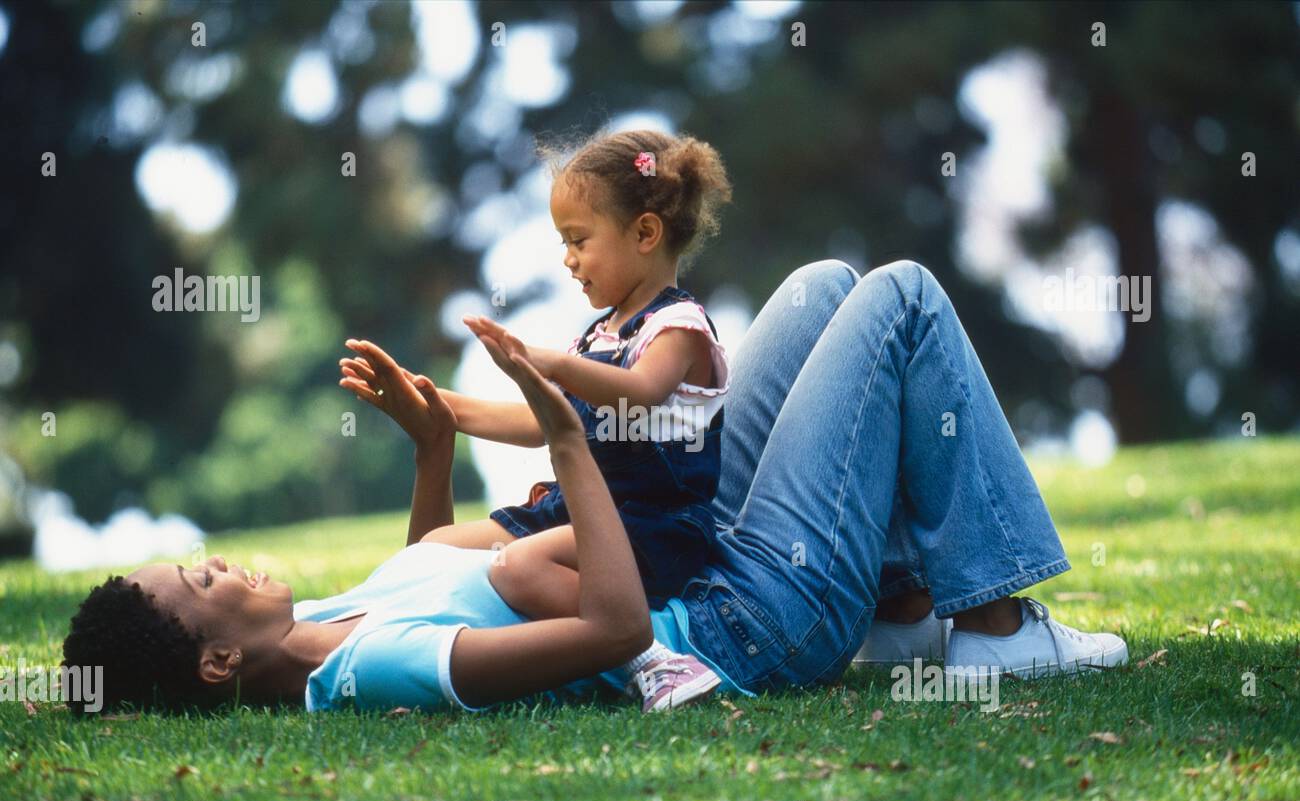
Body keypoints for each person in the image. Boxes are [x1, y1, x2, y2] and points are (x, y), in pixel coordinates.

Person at [61, 258, 1128, 718]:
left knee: (823, 291)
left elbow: (435, 561)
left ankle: (897, 608)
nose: (224, 560)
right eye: (205, 576)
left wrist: (432, 445)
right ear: (213, 657)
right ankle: (993, 625)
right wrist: (574, 433)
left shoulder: (330, 622)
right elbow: (616, 627)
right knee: (899, 300)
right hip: (737, 617)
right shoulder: (371, 671)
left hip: (690, 540)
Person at [341, 129, 735, 711]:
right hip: (575, 516)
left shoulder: (678, 327)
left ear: (646, 233)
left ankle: (651, 659)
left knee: (521, 568)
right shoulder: (599, 334)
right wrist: (419, 396)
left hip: (652, 529)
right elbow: (536, 423)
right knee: (432, 549)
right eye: (563, 243)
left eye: (579, 240)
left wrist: (550, 364)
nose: (568, 261)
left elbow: (641, 393)